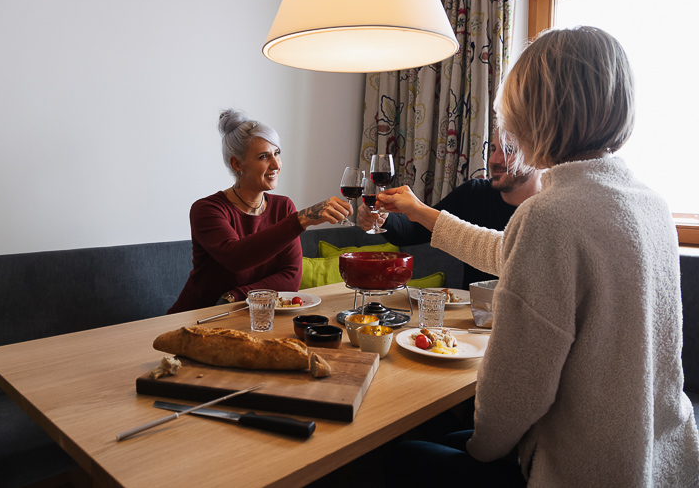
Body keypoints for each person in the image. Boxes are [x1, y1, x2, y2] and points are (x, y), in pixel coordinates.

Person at [380, 26, 699, 486]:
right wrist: (425, 214)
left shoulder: (551, 215)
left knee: (406, 457)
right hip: (656, 452)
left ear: (536, 113)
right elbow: (509, 251)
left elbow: (516, 391)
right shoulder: (648, 203)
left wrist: (481, 447)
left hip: (582, 466)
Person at [168, 109, 352, 314]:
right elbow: (237, 258)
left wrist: (236, 295)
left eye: (277, 153)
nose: (275, 164)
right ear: (237, 164)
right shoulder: (207, 209)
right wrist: (301, 219)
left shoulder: (283, 207)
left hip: (247, 315)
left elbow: (291, 277)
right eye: (264, 156)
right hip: (198, 318)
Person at [357, 133, 542, 289]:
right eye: (493, 149)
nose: (493, 160)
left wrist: (418, 209)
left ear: (539, 155)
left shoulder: (550, 210)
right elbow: (414, 231)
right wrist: (384, 219)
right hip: (471, 320)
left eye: (509, 150)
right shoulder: (474, 193)